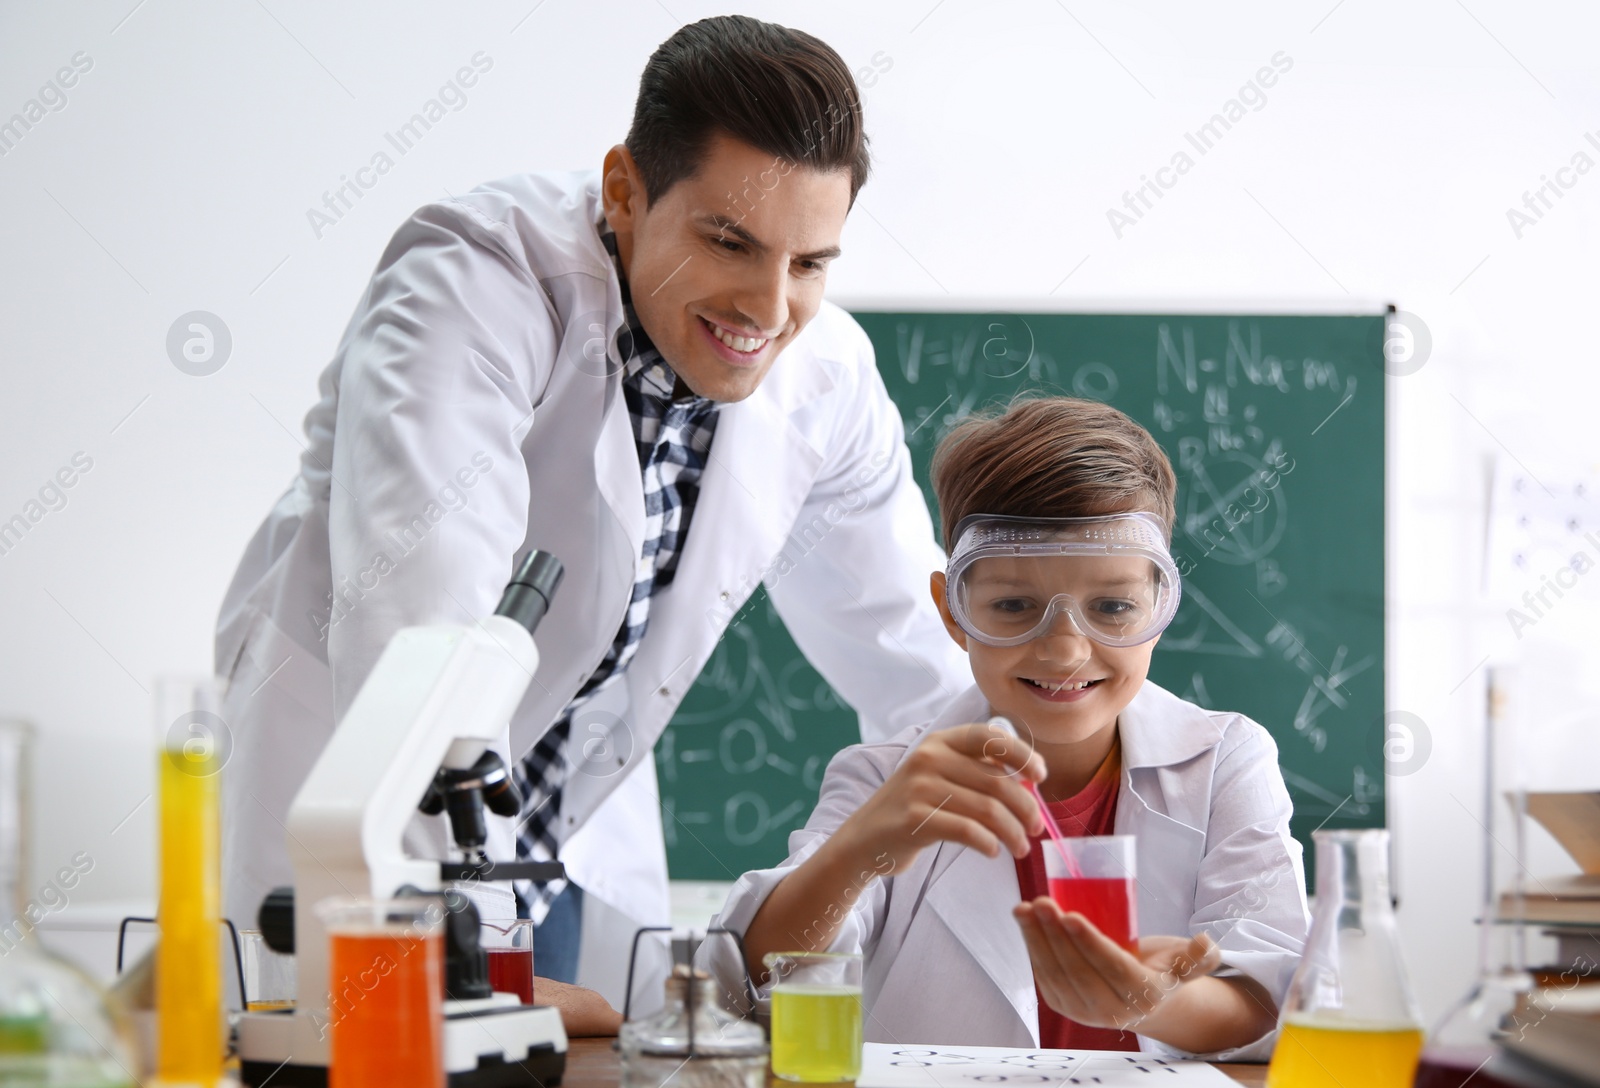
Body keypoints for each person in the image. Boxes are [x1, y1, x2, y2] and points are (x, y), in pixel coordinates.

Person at [213, 13, 966, 1019]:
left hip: (563, 835)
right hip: (374, 803)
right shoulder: (472, 278)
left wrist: (1069, 802)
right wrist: (452, 973)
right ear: (624, 189)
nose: (767, 305)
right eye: (728, 240)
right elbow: (422, 630)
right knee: (359, 1041)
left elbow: (922, 668)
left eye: (809, 263)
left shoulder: (825, 379)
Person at [710, 397, 1309, 1059]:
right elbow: (750, 988)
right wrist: (856, 853)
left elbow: (1268, 995)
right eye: (1014, 605)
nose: (1064, 651)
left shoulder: (1224, 761)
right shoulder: (885, 777)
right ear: (952, 611)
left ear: (1160, 608)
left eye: (1112, 607)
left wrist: (1153, 1002)